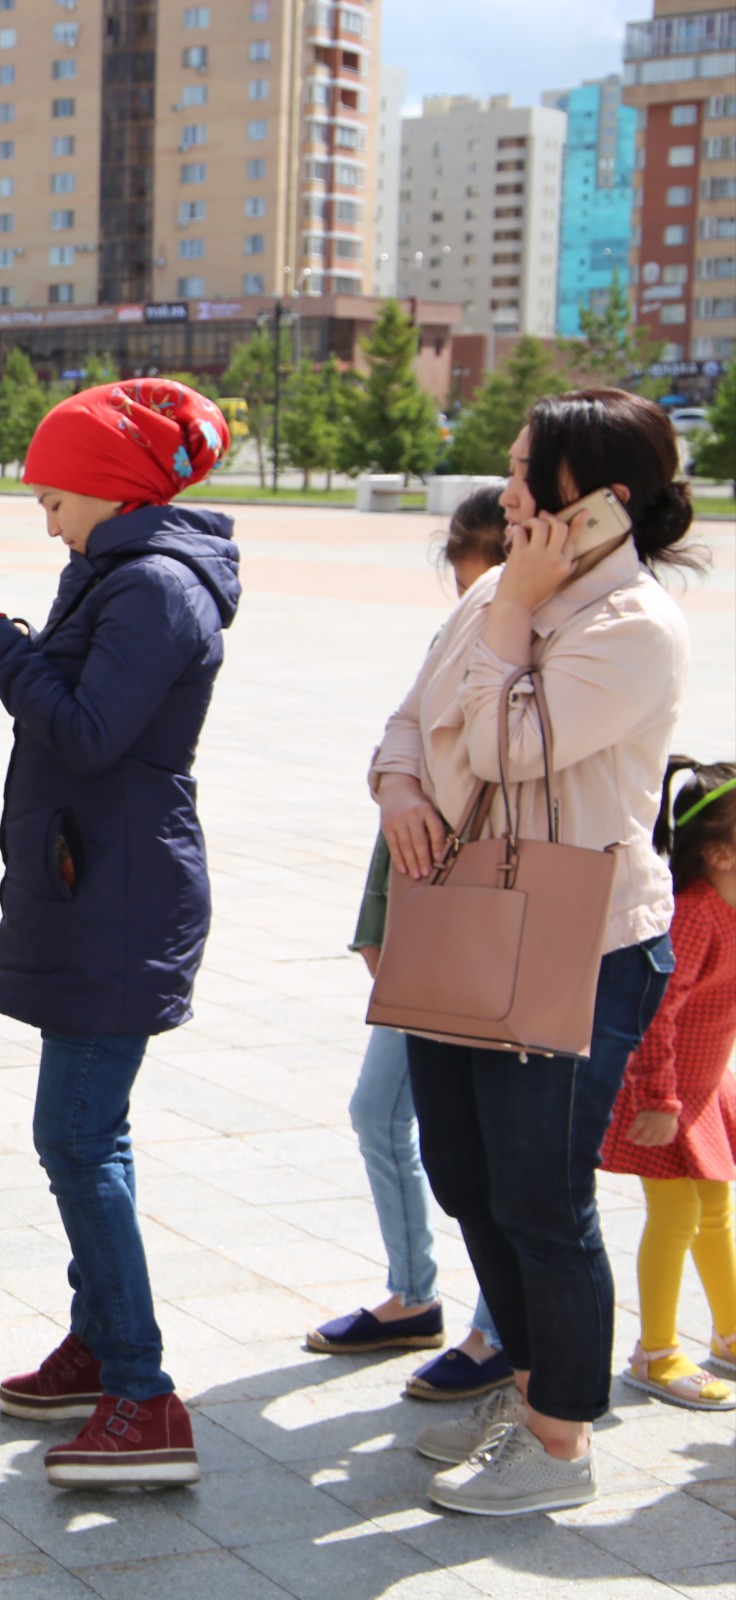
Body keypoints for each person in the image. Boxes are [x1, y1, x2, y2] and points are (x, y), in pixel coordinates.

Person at [374, 389, 696, 1516]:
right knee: (465, 1174)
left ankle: (560, 1442)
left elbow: (512, 744)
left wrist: (511, 609)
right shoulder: (502, 593)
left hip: (579, 940)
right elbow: (409, 720)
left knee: (541, 1197)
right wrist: (400, 788)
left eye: (525, 473)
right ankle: (524, 1387)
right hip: (463, 913)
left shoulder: (634, 625)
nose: (506, 491)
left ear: (602, 500)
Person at [0, 379, 239, 1489]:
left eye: (55, 499)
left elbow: (88, 730)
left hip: (123, 897)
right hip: (96, 883)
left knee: (77, 1137)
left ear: (110, 489)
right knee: (82, 1135)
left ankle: (145, 1396)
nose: (48, 521)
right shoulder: (115, 570)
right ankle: (100, 1344)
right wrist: (15, 635)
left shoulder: (154, 585)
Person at [309, 489, 510, 1401]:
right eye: (466, 591)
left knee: (495, 1144)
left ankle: (499, 1330)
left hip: (497, 928)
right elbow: (403, 792)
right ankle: (413, 1296)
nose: (479, 605)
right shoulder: (455, 642)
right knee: (379, 1111)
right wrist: (378, 926)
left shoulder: (552, 651)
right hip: (427, 920)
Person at [597, 759, 736, 1408]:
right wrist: (659, 1098)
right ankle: (655, 1354)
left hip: (702, 1089)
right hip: (665, 1092)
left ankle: (730, 1333)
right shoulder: (697, 914)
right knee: (677, 1216)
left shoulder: (728, 907)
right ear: (720, 854)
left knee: (716, 1211)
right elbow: (657, 1012)